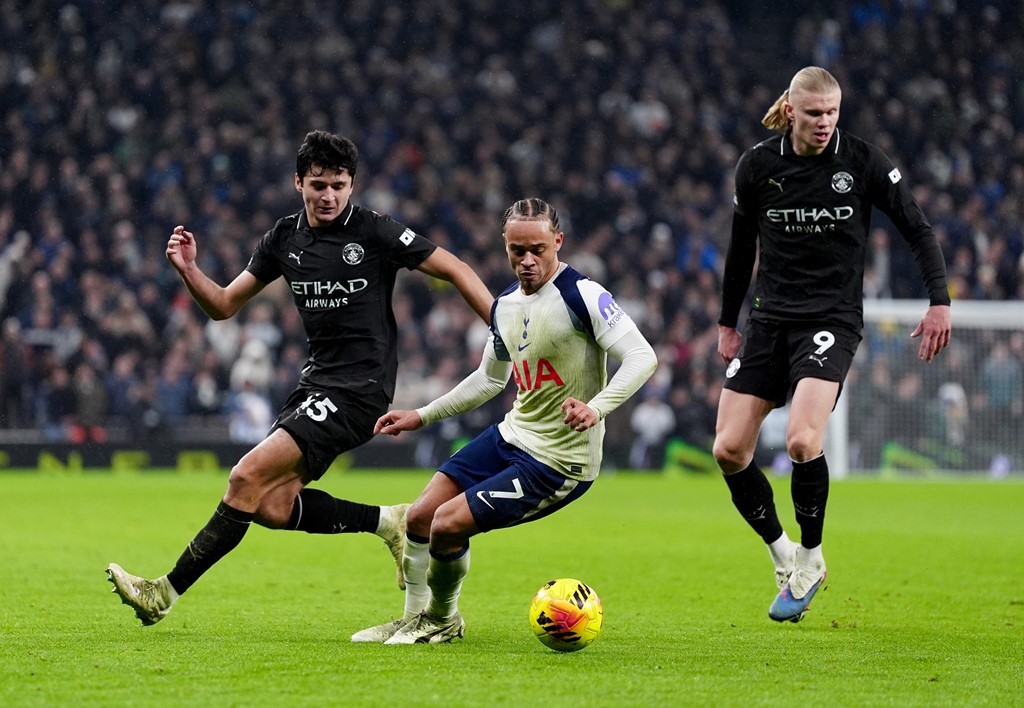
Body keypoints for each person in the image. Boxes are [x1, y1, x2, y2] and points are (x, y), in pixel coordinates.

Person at [107, 130, 494, 625]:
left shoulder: (374, 231)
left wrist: (502, 329)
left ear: (352, 185)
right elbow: (224, 305)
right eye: (318, 185)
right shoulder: (284, 238)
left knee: (244, 475)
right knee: (270, 505)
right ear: (299, 183)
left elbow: (455, 267)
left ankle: (163, 592)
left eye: (338, 184)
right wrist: (188, 270)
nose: (328, 195)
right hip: (313, 386)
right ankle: (388, 521)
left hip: (360, 390)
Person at [350, 198, 658, 644]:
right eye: (517, 251)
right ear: (505, 245)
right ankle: (413, 617)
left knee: (447, 523)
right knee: (418, 517)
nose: (527, 261)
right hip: (512, 436)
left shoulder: (584, 295)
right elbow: (489, 380)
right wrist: (421, 415)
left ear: (558, 241)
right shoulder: (506, 305)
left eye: (538, 249)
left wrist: (597, 407)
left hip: (559, 461)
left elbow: (642, 357)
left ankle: (442, 620)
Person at [712, 67, 951, 623]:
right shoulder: (758, 167)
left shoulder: (863, 161)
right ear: (791, 111)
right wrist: (729, 321)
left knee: (801, 441)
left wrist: (939, 300)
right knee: (728, 451)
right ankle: (783, 554)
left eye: (833, 113)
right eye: (814, 113)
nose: (825, 124)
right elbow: (739, 248)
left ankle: (813, 556)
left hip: (832, 319)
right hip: (770, 320)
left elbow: (917, 228)